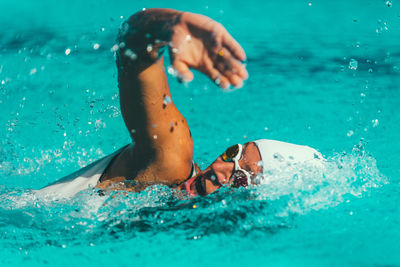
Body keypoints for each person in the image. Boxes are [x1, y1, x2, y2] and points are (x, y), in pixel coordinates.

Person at [37, 8, 323, 198]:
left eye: (240, 180)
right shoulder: (171, 158)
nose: (222, 172)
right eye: (232, 154)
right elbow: (132, 47)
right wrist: (169, 26)